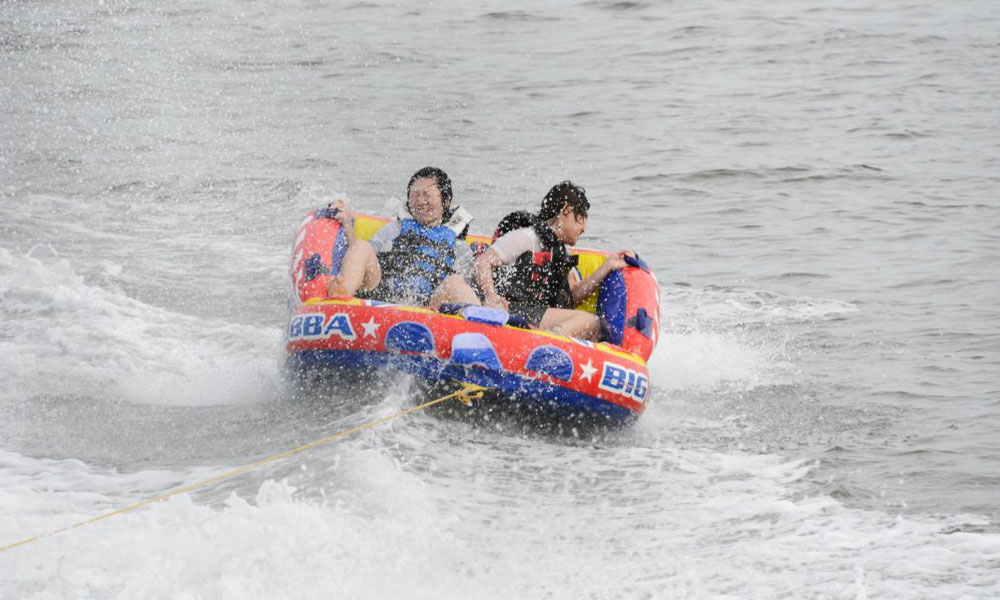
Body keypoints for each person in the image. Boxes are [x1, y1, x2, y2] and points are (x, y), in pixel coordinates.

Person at [474, 181, 631, 340]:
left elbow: (570, 298)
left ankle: (546, 342)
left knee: (592, 326)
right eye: (582, 218)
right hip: (508, 308)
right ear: (567, 210)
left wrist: (607, 267)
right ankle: (545, 344)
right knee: (590, 321)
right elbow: (483, 262)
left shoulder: (560, 255)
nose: (584, 229)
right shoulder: (528, 237)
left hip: (531, 313)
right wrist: (491, 296)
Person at [325, 166, 481, 309]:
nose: (420, 201)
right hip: (382, 294)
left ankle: (482, 326)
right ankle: (341, 296)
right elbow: (361, 260)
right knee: (361, 246)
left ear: (445, 201)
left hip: (430, 308)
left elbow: (463, 287)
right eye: (414, 195)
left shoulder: (458, 247)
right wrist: (346, 224)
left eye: (427, 195)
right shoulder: (394, 229)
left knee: (454, 282)